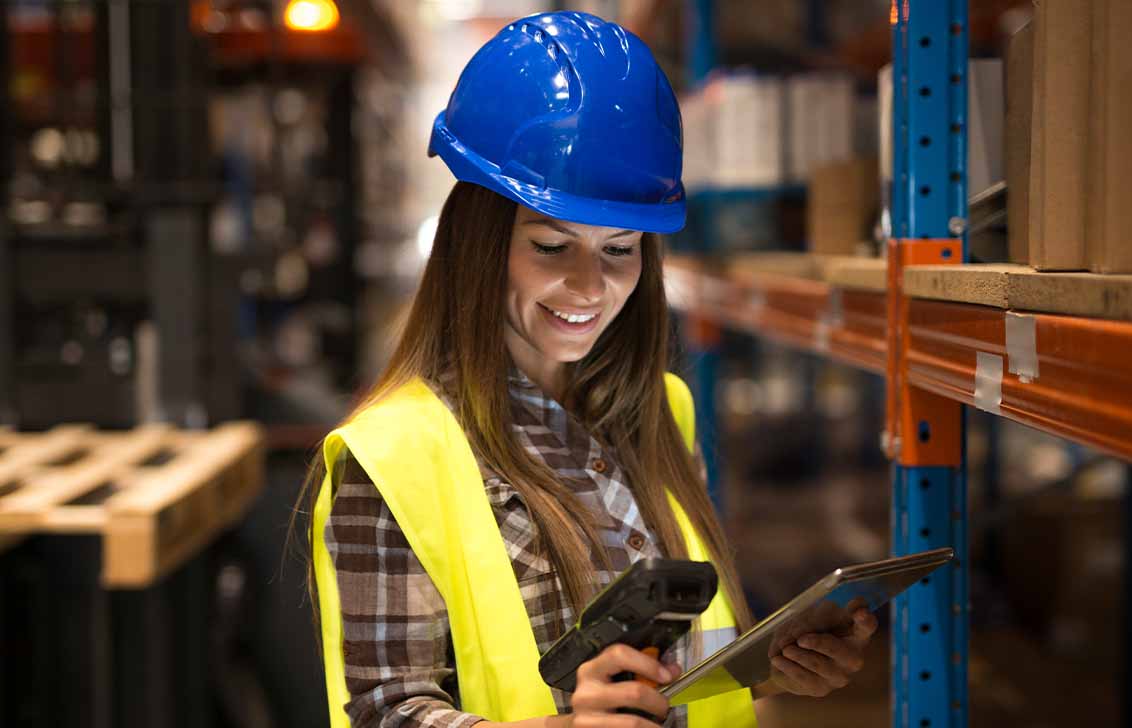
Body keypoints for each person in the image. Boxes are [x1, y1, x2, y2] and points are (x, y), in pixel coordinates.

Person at [297, 11, 876, 728]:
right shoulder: (391, 457)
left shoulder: (658, 409)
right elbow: (387, 711)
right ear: (476, 243)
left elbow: (666, 662)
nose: (590, 287)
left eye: (619, 249)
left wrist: (769, 663)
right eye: (550, 245)